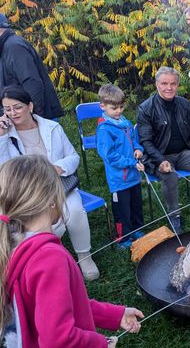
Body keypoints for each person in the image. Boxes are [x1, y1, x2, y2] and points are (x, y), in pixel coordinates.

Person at [0, 155, 144, 347]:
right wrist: (100, 343)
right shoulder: (49, 258)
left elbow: (62, 306)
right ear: (52, 199)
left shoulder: (13, 246)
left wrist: (115, 315)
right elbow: (58, 340)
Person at [0, 86, 100, 281]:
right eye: (7, 109)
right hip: (26, 194)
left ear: (30, 106)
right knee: (43, 222)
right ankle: (46, 260)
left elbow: (73, 156)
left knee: (75, 209)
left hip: (58, 185)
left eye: (17, 107)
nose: (12, 113)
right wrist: (2, 138)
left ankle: (84, 255)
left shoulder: (51, 127)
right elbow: (4, 170)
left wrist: (57, 168)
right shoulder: (5, 135)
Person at [137, 66, 190, 233]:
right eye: (164, 83)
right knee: (170, 175)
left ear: (177, 85)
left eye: (173, 84)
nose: (169, 88)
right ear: (157, 84)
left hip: (183, 153)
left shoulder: (184, 104)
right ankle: (174, 216)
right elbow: (146, 141)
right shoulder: (146, 108)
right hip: (159, 156)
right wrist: (161, 161)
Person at [96, 84, 145, 249]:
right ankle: (123, 238)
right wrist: (132, 163)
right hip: (119, 179)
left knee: (136, 205)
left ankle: (137, 229)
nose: (118, 111)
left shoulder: (126, 123)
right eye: (114, 108)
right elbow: (109, 156)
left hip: (133, 176)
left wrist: (138, 149)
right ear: (102, 106)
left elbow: (135, 140)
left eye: (121, 107)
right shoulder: (104, 129)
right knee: (122, 209)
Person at [0, 13, 63, 120]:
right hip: (19, 118)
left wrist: (34, 119)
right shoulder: (5, 47)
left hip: (34, 119)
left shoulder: (14, 47)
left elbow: (32, 83)